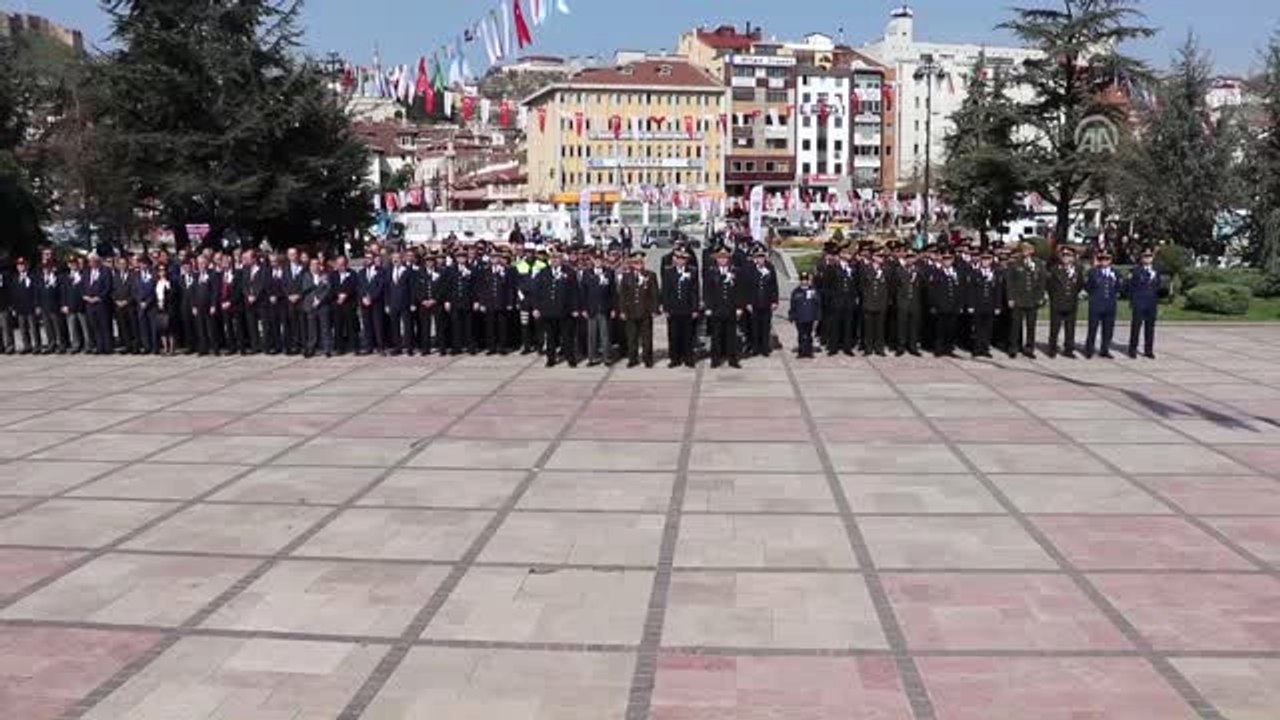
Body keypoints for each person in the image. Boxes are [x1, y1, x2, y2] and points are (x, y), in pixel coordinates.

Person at [532, 251, 579, 367]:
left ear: (561, 259)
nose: (554, 260)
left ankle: (570, 358)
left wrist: (575, 308)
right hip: (548, 310)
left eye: (557, 258)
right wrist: (536, 308)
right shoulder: (544, 272)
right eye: (552, 258)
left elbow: (574, 292)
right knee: (550, 337)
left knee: (567, 337)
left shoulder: (569, 272)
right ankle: (550, 359)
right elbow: (537, 292)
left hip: (564, 310)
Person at [618, 251, 659, 368]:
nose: (638, 264)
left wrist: (655, 309)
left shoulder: (650, 275)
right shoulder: (626, 276)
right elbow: (622, 295)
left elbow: (654, 294)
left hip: (645, 311)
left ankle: (648, 359)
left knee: (647, 337)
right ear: (631, 263)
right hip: (631, 311)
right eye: (635, 262)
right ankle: (633, 358)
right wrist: (622, 311)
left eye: (640, 262)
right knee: (632, 337)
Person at [1005, 241, 1046, 359]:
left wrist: (1040, 297)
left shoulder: (1039, 264)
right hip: (1018, 299)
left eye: (1029, 248)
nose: (1026, 250)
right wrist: (1011, 298)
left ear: (1033, 250)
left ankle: (1029, 348)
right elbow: (1010, 282)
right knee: (1015, 325)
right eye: (1024, 248)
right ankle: (1013, 348)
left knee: (1031, 326)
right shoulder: (1014, 263)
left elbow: (1042, 282)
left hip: (1032, 300)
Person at [703, 248, 742, 369]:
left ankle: (733, 359)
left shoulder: (735, 271)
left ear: (728, 259)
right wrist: (708, 307)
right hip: (716, 308)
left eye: (725, 257)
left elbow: (740, 291)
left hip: (731, 308)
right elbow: (707, 291)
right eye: (720, 257)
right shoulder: (711, 272)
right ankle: (715, 359)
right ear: (716, 259)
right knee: (716, 336)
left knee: (731, 335)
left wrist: (739, 307)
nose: (723, 260)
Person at [661, 250, 699, 368]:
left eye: (683, 258)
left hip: (687, 308)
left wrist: (695, 309)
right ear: (674, 259)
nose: (681, 261)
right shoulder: (668, 272)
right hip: (673, 309)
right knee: (673, 335)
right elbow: (665, 291)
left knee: (688, 335)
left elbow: (695, 291)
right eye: (678, 258)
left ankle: (688, 358)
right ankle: (674, 358)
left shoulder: (692, 271)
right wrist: (666, 308)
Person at [1046, 246, 1084, 358]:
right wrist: (1053, 297)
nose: (1066, 257)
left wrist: (1073, 295)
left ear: (1073, 257)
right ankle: (1052, 349)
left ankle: (1069, 350)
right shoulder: (1054, 269)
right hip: (1057, 302)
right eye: (1064, 255)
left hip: (1071, 302)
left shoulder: (1077, 269)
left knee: (1070, 328)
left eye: (1069, 255)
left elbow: (1080, 284)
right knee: (1054, 328)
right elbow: (1049, 285)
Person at [580, 251, 616, 366]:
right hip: (591, 309)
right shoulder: (587, 273)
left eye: (600, 259)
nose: (598, 261)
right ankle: (592, 358)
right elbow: (583, 293)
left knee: (605, 335)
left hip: (605, 308)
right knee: (591, 335)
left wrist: (613, 308)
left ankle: (607, 358)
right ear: (592, 260)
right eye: (596, 259)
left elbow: (613, 292)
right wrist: (584, 308)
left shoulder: (609, 272)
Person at [966, 250, 1004, 358]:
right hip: (978, 304)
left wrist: (998, 306)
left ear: (991, 260)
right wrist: (971, 305)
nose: (985, 261)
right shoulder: (975, 273)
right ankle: (977, 349)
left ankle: (985, 348)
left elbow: (998, 291)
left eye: (988, 259)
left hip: (990, 304)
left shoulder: (995, 273)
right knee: (977, 328)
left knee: (988, 328)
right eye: (983, 259)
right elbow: (971, 290)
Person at [743, 249, 779, 358]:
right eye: (758, 257)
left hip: (766, 302)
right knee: (755, 327)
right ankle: (755, 348)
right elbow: (747, 287)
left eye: (762, 257)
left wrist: (774, 301)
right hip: (754, 303)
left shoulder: (770, 268)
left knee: (765, 326)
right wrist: (747, 302)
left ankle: (765, 348)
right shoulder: (750, 269)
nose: (760, 259)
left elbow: (774, 286)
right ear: (755, 258)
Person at [1084, 251, 1121, 359]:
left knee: (1108, 329)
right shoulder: (1093, 272)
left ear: (1110, 260)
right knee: (1093, 328)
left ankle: (1104, 349)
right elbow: (1088, 286)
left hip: (1110, 304)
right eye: (1102, 259)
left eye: (1107, 259)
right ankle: (1089, 350)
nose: (1104, 261)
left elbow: (1119, 287)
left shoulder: (1115, 273)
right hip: (1096, 303)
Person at [928, 251, 964, 357]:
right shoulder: (936, 273)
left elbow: (961, 290)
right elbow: (932, 291)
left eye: (949, 259)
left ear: (952, 260)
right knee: (940, 329)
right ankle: (938, 349)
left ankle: (948, 349)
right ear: (942, 260)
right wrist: (933, 305)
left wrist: (960, 305)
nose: (947, 261)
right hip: (941, 306)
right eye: (945, 259)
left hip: (953, 305)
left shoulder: (956, 273)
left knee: (951, 329)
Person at [1127, 248, 1160, 359]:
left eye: (1149, 256)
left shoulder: (1156, 271)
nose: (1147, 258)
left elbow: (1157, 287)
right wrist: (1133, 301)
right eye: (1145, 256)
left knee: (1150, 328)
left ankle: (1148, 350)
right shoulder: (1136, 271)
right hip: (1139, 302)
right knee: (1136, 327)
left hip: (1151, 303)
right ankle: (1132, 350)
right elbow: (1131, 287)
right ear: (1141, 258)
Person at [889, 248, 923, 357]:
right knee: (901, 325)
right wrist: (897, 300)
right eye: (908, 258)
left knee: (913, 326)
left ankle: (913, 347)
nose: (910, 260)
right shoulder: (899, 270)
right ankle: (901, 347)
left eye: (912, 258)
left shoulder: (918, 271)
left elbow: (923, 287)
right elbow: (894, 287)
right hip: (902, 301)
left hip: (915, 301)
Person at [442, 248, 476, 355]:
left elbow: (475, 287)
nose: (461, 259)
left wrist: (476, 301)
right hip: (455, 301)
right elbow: (447, 286)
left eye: (463, 257)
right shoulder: (450, 269)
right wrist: (447, 300)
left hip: (467, 300)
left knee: (469, 326)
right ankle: (456, 347)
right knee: (456, 326)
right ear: (456, 258)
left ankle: (471, 347)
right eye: (459, 257)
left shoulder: (471, 268)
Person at [301, 257, 333, 358]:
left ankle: (327, 349)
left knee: (325, 328)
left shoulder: (325, 275)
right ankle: (311, 348)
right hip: (310, 305)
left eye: (317, 264)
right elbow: (305, 288)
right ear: (310, 266)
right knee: (312, 329)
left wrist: (319, 299)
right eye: (313, 264)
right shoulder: (306, 276)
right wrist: (317, 286)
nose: (315, 266)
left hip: (322, 305)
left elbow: (328, 289)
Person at [860, 251, 890, 357]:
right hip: (869, 301)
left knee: (880, 328)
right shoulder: (866, 268)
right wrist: (865, 298)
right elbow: (862, 284)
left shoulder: (886, 269)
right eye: (879, 256)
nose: (882, 258)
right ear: (874, 257)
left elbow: (889, 285)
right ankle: (868, 348)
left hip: (881, 302)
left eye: (883, 256)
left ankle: (879, 348)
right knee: (869, 327)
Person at [358, 251, 387, 355]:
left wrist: (371, 297)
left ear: (374, 259)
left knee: (378, 325)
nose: (367, 260)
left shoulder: (381, 271)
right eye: (366, 258)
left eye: (370, 258)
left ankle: (380, 347)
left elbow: (381, 286)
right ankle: (368, 347)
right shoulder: (361, 272)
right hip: (364, 302)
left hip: (376, 302)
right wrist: (363, 297)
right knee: (367, 325)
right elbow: (359, 286)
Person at [83, 255, 114, 355]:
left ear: (98, 261)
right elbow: (83, 286)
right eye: (90, 261)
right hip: (90, 304)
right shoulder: (87, 272)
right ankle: (99, 346)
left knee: (105, 325)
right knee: (95, 326)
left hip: (102, 303)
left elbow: (108, 286)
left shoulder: (105, 271)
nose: (92, 263)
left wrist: (99, 297)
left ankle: (108, 347)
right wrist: (85, 296)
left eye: (94, 261)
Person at [385, 252, 415, 355]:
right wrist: (387, 304)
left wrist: (412, 303)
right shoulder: (389, 271)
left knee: (408, 326)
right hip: (393, 303)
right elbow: (387, 289)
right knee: (395, 326)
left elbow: (412, 288)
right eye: (393, 258)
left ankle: (409, 347)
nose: (395, 260)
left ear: (402, 259)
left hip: (405, 303)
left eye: (397, 258)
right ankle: (397, 347)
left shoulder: (408, 270)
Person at [789, 272, 822, 359]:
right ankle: (801, 352)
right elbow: (793, 305)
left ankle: (809, 352)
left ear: (808, 280)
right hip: (799, 317)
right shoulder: (795, 292)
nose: (804, 282)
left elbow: (817, 304)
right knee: (800, 335)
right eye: (802, 280)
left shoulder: (813, 291)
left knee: (809, 335)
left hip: (810, 317)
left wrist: (817, 317)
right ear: (800, 281)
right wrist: (792, 316)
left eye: (805, 280)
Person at [37, 253, 65, 353]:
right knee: (48, 328)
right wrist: (38, 306)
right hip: (45, 307)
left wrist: (63, 304)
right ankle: (51, 344)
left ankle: (61, 345)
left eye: (48, 267)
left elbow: (62, 292)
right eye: (44, 268)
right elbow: (38, 293)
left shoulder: (57, 278)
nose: (46, 269)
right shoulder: (40, 278)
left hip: (55, 306)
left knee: (58, 327)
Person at [331, 254, 359, 355]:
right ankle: (340, 348)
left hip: (349, 304)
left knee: (351, 326)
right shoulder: (333, 274)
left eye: (343, 264)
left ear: (346, 264)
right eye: (339, 264)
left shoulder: (353, 273)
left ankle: (355, 347)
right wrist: (338, 295)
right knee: (338, 327)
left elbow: (354, 286)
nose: (341, 266)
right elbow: (331, 287)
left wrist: (346, 294)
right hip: (337, 304)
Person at [9, 257, 38, 353]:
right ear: (17, 267)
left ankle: (37, 346)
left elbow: (36, 292)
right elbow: (13, 294)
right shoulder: (15, 278)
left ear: (27, 266)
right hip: (20, 307)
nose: (21, 266)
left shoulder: (32, 277)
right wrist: (13, 307)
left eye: (23, 264)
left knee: (33, 328)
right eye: (19, 265)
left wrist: (37, 305)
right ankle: (27, 346)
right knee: (23, 329)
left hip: (31, 306)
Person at [132, 257, 159, 354]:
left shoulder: (153, 275)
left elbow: (155, 290)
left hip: (151, 305)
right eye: (141, 264)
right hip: (140, 305)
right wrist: (139, 301)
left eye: (145, 264)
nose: (143, 266)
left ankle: (155, 347)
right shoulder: (136, 275)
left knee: (153, 327)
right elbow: (134, 290)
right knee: (143, 327)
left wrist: (147, 302)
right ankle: (147, 346)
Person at [241, 250, 266, 354]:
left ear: (254, 259)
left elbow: (262, 283)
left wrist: (255, 295)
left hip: (260, 301)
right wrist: (248, 295)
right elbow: (244, 285)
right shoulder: (245, 269)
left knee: (263, 325)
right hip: (249, 302)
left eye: (247, 258)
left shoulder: (262, 269)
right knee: (252, 325)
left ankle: (265, 345)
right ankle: (255, 346)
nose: (245, 260)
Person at [154, 263, 176, 355]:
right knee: (162, 329)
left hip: (168, 307)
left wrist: (165, 301)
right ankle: (165, 347)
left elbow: (172, 295)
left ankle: (171, 348)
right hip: (159, 306)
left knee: (170, 328)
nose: (161, 272)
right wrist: (159, 303)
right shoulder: (157, 282)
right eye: (160, 270)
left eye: (163, 270)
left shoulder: (169, 282)